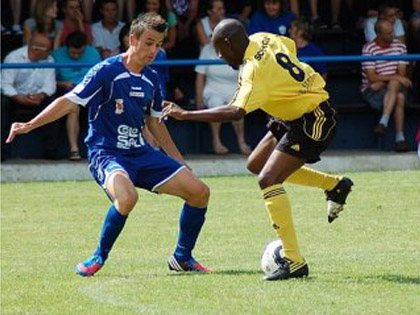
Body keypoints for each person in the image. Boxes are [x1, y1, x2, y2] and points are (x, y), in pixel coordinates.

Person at [6, 13, 211, 276]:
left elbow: (155, 123)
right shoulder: (106, 71)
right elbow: (69, 101)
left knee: (200, 192)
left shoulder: (153, 79)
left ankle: (182, 257)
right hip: (106, 153)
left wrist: (178, 160)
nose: (154, 50)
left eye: (159, 44)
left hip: (140, 153)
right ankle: (98, 256)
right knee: (127, 198)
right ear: (132, 39)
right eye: (149, 42)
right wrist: (29, 125)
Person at [162, 19, 353, 281]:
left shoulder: (252, 70)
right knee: (256, 165)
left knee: (268, 179)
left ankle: (294, 261)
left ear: (228, 44)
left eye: (220, 49)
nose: (219, 56)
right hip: (290, 114)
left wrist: (185, 114)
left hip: (313, 117)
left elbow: (235, 111)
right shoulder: (264, 37)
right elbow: (291, 48)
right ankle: (334, 185)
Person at [1, 33, 60, 160]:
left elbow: (50, 86)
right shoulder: (13, 58)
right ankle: (2, 151)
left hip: (38, 98)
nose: (51, 53)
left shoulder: (49, 60)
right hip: (15, 97)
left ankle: (51, 152)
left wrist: (41, 95)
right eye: (48, 50)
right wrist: (19, 98)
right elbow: (5, 85)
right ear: (35, 49)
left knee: (54, 105)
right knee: (3, 104)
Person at [361, 20, 411, 152]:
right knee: (399, 97)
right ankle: (400, 138)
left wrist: (384, 80)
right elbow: (372, 77)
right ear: (379, 34)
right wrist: (393, 77)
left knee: (395, 84)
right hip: (373, 91)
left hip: (390, 87)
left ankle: (383, 121)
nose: (393, 35)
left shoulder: (400, 46)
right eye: (388, 33)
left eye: (393, 31)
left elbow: (401, 73)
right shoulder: (369, 48)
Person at [52, 31, 102, 160]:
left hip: (91, 91)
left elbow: (100, 78)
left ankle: (101, 148)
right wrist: (62, 83)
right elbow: (50, 80)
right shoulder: (57, 55)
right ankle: (74, 149)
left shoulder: (93, 53)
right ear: (66, 47)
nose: (76, 56)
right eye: (73, 53)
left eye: (80, 53)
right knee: (73, 107)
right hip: (68, 91)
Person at [195, 42, 251, 154]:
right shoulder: (207, 49)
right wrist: (199, 99)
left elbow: (247, 74)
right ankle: (216, 142)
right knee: (216, 103)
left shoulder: (239, 48)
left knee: (237, 106)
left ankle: (241, 141)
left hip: (234, 88)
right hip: (212, 88)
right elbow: (200, 76)